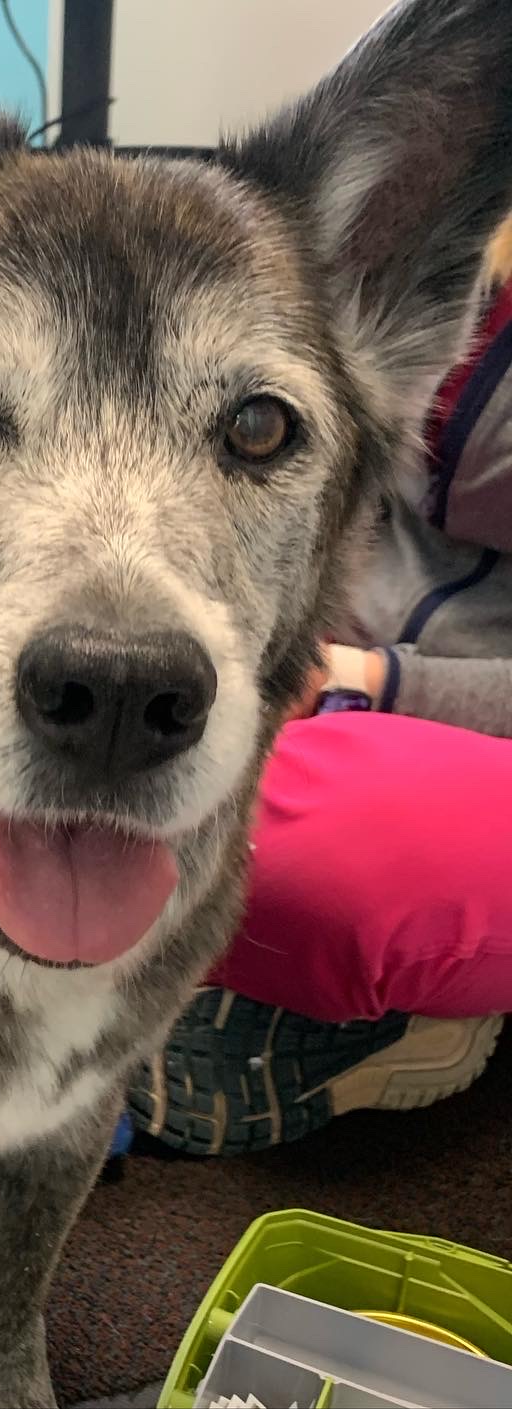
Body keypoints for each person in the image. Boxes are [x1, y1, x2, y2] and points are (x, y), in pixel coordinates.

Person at [133, 239, 512, 1156]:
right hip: (317, 643)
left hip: (429, 727)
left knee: (329, 849)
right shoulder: (464, 238)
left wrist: (373, 681)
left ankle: (381, 1009)